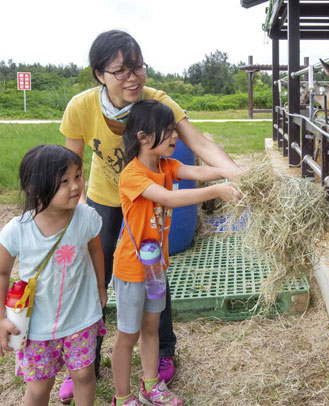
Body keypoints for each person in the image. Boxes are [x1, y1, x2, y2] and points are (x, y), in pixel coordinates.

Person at [60, 29, 240, 403]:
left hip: (149, 206)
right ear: (99, 75)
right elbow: (71, 164)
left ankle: (161, 357)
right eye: (120, 70)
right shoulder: (81, 106)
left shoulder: (157, 103)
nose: (132, 77)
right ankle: (84, 364)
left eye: (137, 66)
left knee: (155, 277)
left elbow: (201, 145)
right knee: (94, 280)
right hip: (106, 199)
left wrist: (238, 174)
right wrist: (74, 216)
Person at [111, 100, 238, 406]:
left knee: (152, 328)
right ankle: (121, 396)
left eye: (174, 130)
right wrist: (217, 191)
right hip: (131, 270)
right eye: (167, 131)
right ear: (143, 137)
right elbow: (169, 197)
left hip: (157, 267)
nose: (174, 137)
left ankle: (151, 386)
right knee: (128, 336)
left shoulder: (167, 165)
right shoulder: (133, 175)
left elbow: (198, 170)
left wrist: (233, 172)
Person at [0, 145, 107, 406]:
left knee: (83, 374)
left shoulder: (86, 218)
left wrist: (101, 288)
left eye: (78, 177)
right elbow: (2, 271)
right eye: (64, 181)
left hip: (81, 315)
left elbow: (95, 250)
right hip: (37, 326)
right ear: (35, 188)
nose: (76, 186)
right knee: (39, 387)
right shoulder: (18, 230)